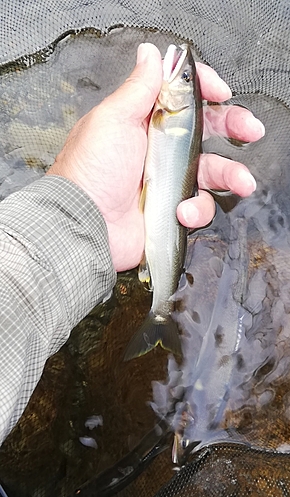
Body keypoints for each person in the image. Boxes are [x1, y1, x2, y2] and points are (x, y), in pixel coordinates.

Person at [0, 43, 264, 445]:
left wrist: (80, 213)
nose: (181, 69)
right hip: (115, 218)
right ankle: (158, 310)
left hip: (109, 226)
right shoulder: (166, 115)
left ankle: (157, 313)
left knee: (190, 211)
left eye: (186, 79)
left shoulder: (164, 115)